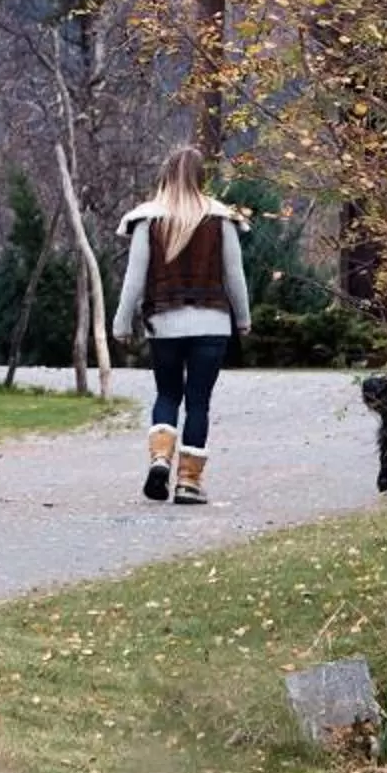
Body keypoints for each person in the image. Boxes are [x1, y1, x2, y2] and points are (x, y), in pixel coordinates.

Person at [111, 146, 251, 505]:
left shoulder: (148, 219)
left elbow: (135, 277)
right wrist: (243, 319)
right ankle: (188, 482)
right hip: (212, 322)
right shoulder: (221, 218)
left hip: (164, 323)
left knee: (167, 394)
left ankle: (160, 457)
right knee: (199, 403)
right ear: (202, 176)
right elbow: (234, 275)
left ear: (166, 174)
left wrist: (121, 321)